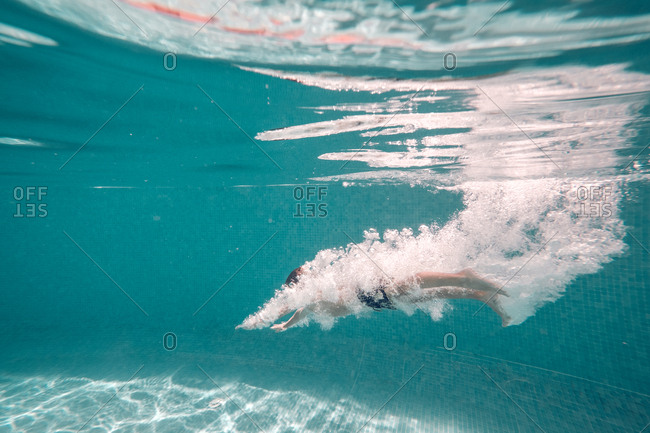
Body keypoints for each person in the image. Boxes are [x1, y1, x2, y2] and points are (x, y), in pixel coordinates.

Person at [237, 266, 512, 331]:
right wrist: (285, 326)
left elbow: (292, 306)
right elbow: (300, 313)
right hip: (381, 303)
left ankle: (468, 276)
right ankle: (481, 296)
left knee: (433, 282)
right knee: (440, 293)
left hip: (377, 291)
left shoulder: (322, 287)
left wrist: (263, 319)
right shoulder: (310, 303)